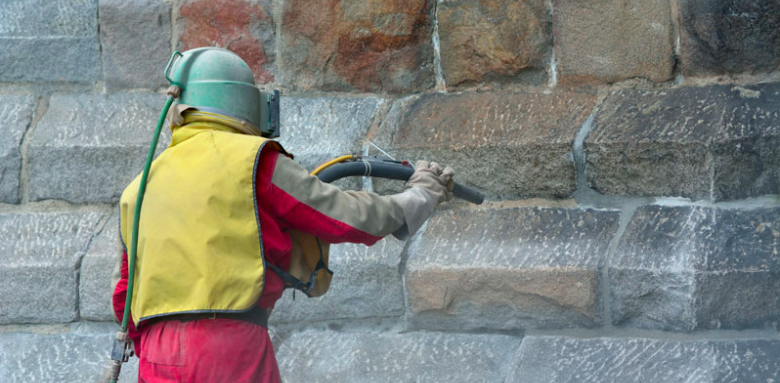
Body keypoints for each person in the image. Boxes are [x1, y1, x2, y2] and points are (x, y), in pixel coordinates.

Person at [110, 47, 453, 383]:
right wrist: (419, 197)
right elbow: (345, 216)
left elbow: (124, 295)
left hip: (157, 355)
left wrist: (161, 348)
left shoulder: (138, 187)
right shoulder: (254, 161)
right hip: (227, 346)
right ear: (248, 104)